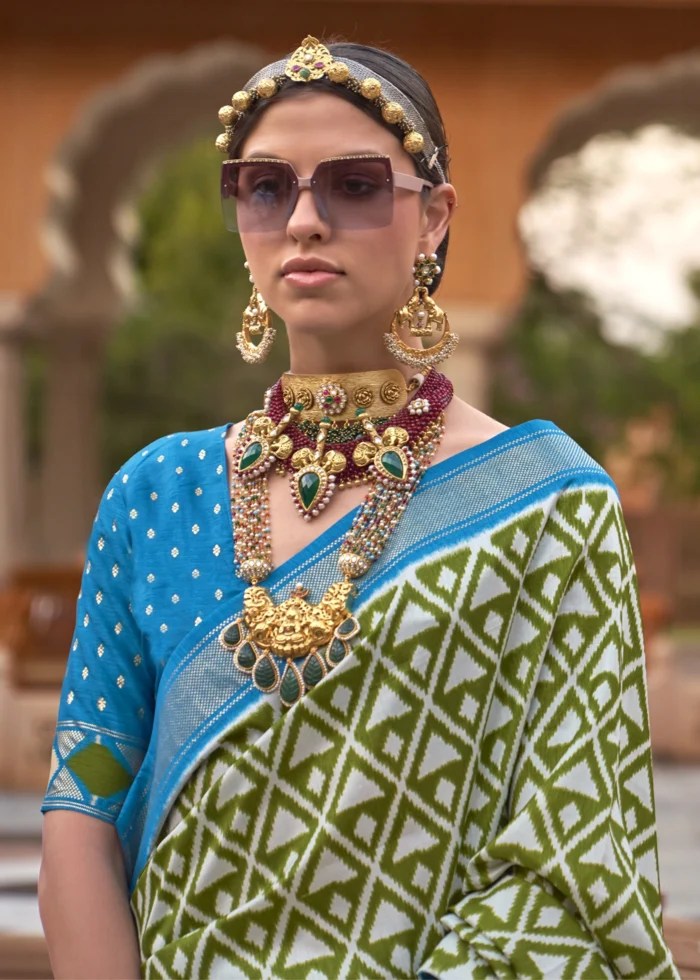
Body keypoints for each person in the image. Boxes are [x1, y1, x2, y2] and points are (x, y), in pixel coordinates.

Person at [38, 35, 678, 980]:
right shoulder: (156, 496)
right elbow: (84, 808)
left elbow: (573, 868)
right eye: (265, 187)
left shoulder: (548, 507)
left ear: (434, 219)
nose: (304, 220)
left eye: (355, 185)